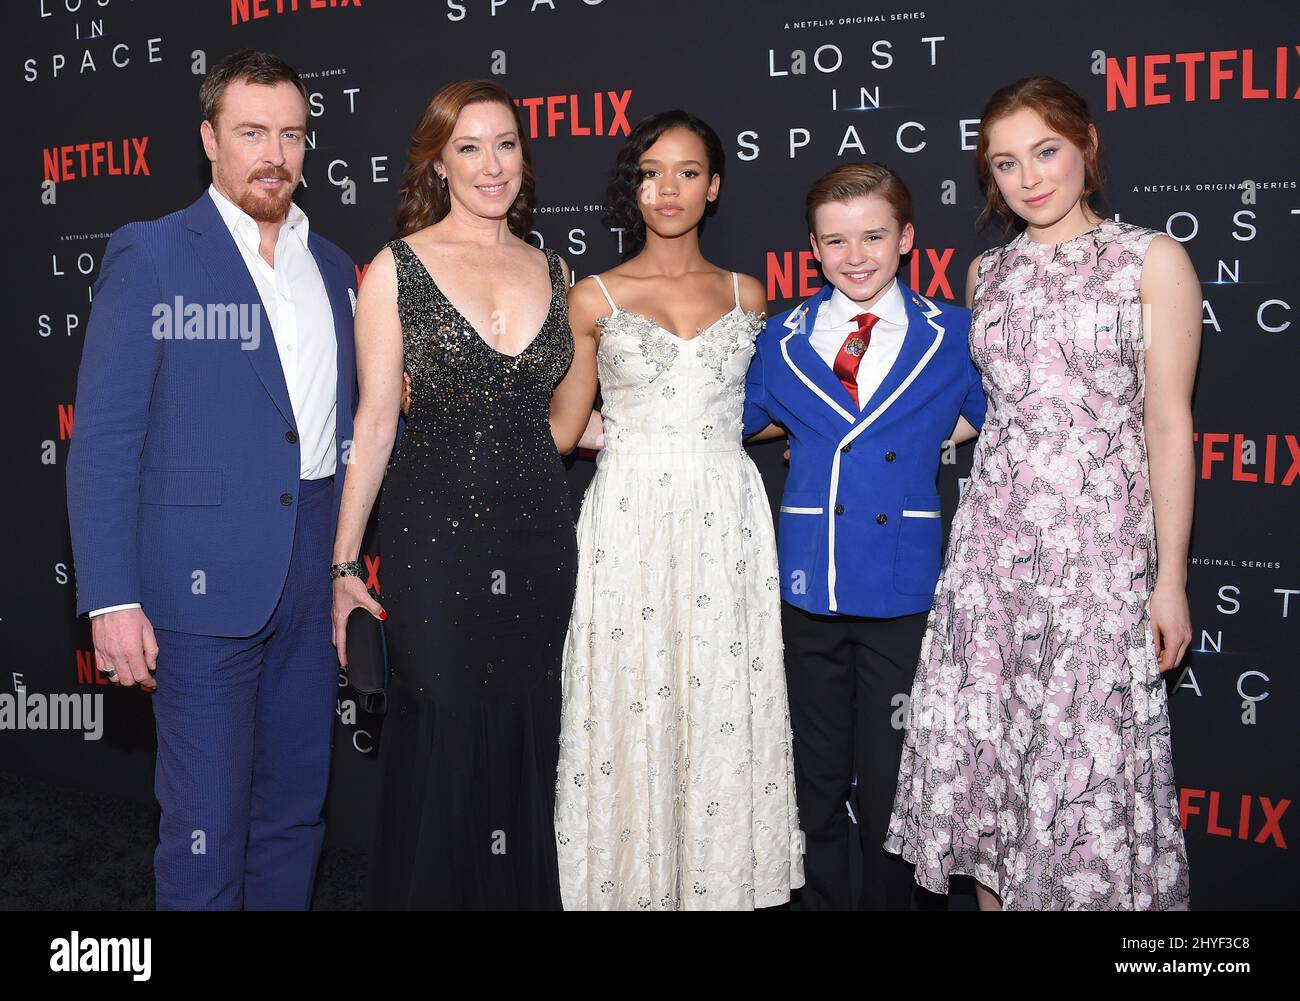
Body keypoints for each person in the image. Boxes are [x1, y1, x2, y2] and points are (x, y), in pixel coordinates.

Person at [885, 75, 1198, 911]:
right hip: (993, 550)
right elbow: (991, 414)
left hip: (1098, 553)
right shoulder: (988, 272)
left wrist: (1170, 579)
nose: (1031, 178)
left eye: (1046, 151)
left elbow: (1169, 424)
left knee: (1082, 773)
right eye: (1007, 163)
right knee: (996, 773)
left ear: (1086, 144)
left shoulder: (1151, 259)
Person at [66, 49, 357, 909]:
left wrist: (343, 569)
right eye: (251, 132)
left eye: (291, 135)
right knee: (203, 827)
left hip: (310, 567)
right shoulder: (151, 254)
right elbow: (106, 439)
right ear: (209, 139)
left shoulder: (338, 268)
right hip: (196, 587)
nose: (274, 153)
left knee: (294, 813)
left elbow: (360, 427)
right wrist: (111, 597)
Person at [331, 79, 595, 909]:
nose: (492, 165)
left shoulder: (557, 269)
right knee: (443, 729)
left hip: (540, 534)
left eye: (507, 144)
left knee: (530, 731)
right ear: (439, 163)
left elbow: (565, 425)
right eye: (470, 147)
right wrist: (343, 564)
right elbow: (375, 425)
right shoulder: (396, 270)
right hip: (434, 537)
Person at [553, 111, 803, 910]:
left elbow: (756, 407)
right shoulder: (592, 295)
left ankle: (717, 883)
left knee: (721, 699)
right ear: (636, 185)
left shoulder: (747, 293)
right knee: (629, 693)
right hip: (629, 513)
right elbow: (563, 425)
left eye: (688, 171)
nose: (669, 188)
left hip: (724, 514)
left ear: (714, 186)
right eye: (653, 171)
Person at [741, 163, 987, 909]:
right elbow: (729, 421)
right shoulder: (780, 336)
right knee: (812, 775)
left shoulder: (953, 332)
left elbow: (990, 413)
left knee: (893, 780)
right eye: (836, 241)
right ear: (813, 249)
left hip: (903, 589)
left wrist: (923, 444)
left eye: (874, 236)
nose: (857, 255)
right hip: (808, 585)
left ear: (906, 238)